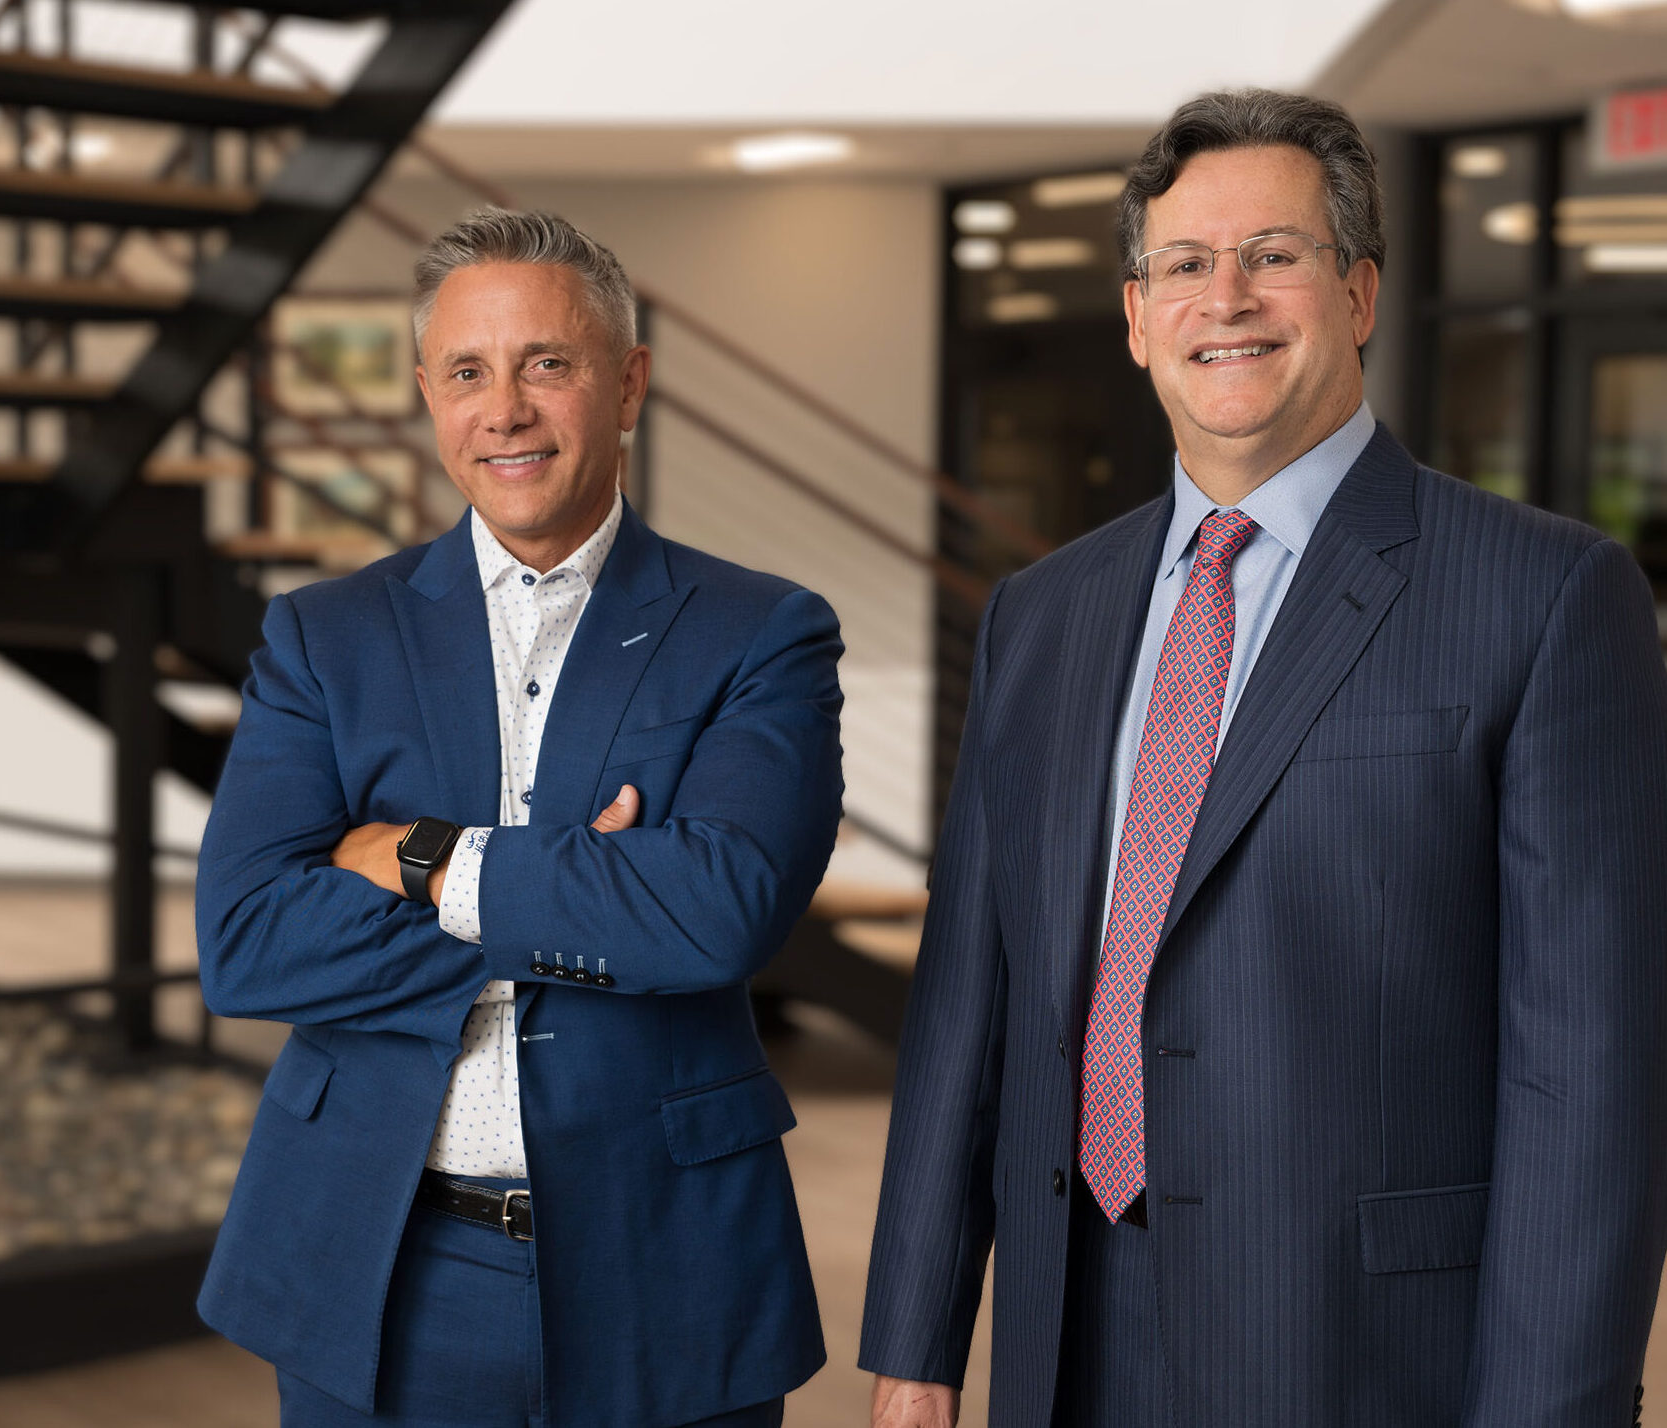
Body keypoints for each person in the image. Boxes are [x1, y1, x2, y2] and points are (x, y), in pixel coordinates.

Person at [861, 89, 1667, 1428]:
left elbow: (1587, 1073)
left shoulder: (1545, 597)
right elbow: (968, 1005)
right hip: (1068, 1335)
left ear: (1356, 291)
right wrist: (914, 1344)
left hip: (1363, 1353)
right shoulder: (1040, 614)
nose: (1222, 297)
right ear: (1134, 318)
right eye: (1181, 265)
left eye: (1272, 256)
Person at [195, 207, 841, 1428]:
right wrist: (592, 892)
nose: (506, 410)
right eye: (468, 373)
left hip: (666, 1258)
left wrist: (418, 856)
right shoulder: (323, 639)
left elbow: (718, 914)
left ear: (629, 382)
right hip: (379, 1260)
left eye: (547, 364)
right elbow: (245, 941)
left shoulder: (758, 632)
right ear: (429, 397)